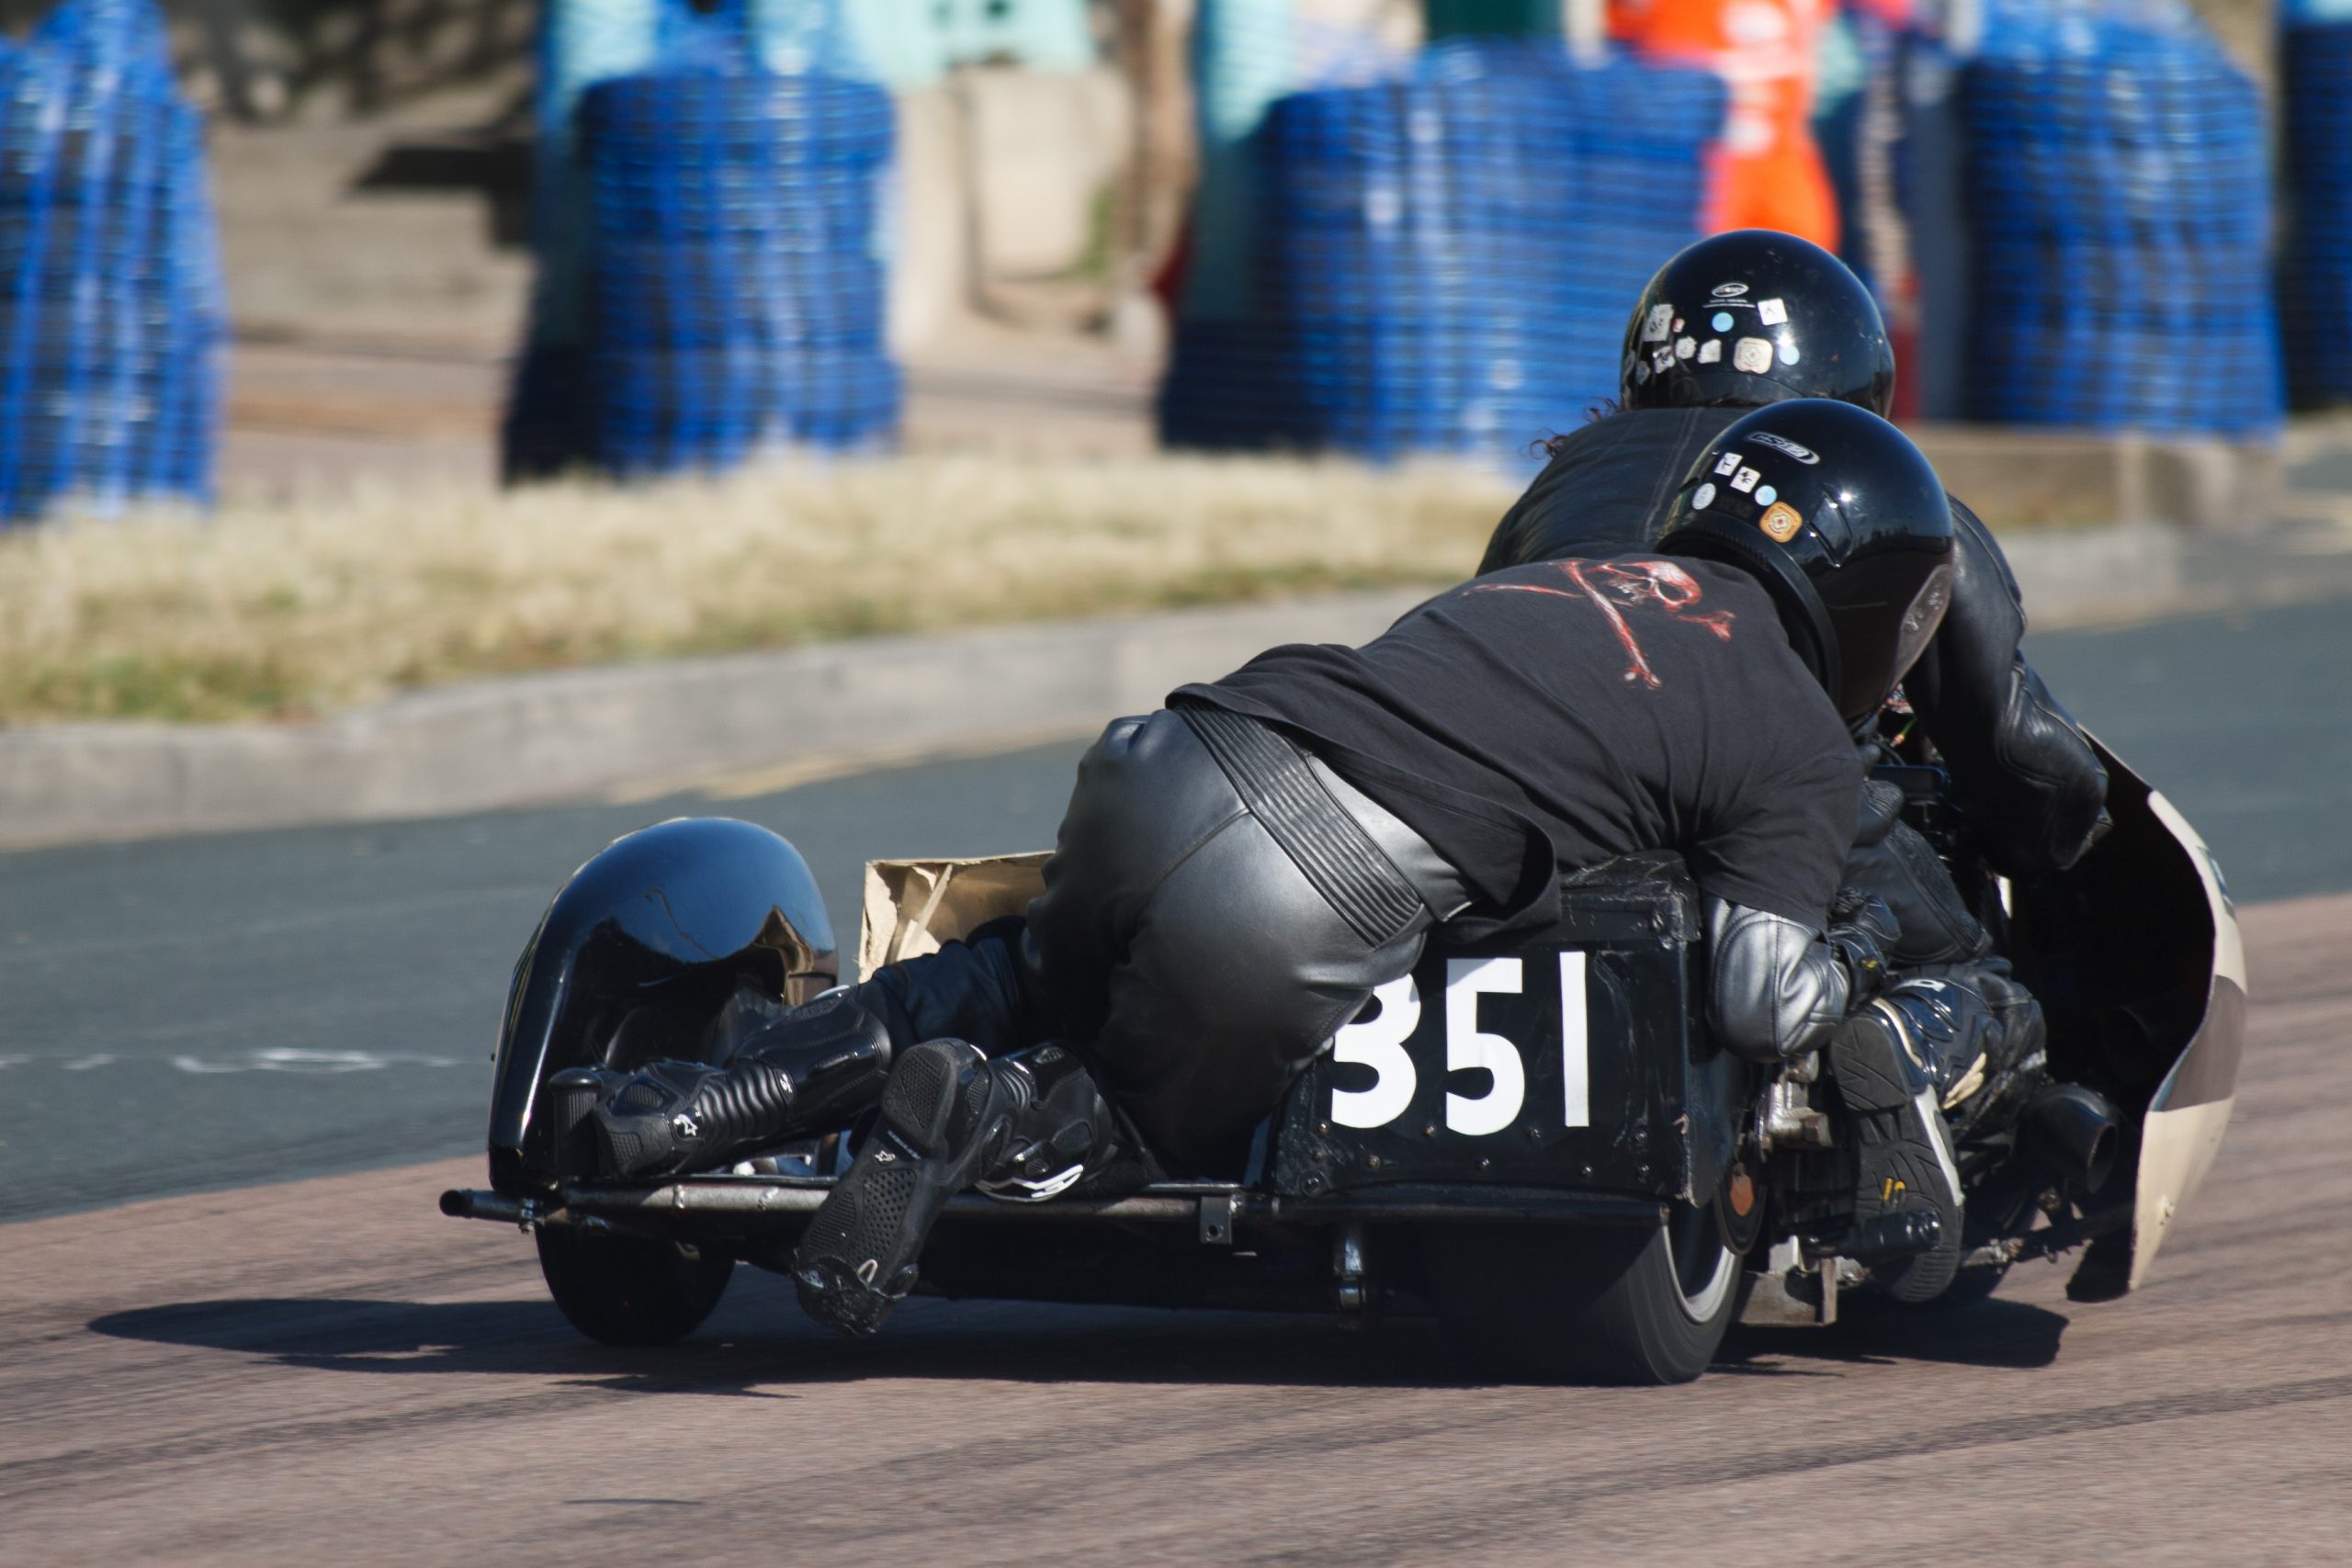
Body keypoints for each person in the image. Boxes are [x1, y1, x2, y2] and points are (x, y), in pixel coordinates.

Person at [551, 398, 1964, 1337]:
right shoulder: (1796, 735)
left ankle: (669, 1113)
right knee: (1151, 1128)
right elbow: (1760, 990)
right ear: (1867, 599)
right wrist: (1854, 965)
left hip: (1176, 755)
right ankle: (977, 1118)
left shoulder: (1553, 581)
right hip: (1306, 889)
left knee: (1009, 971)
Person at [1481, 228, 2109, 885]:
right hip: (1762, 830)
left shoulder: (1557, 485)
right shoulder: (1882, 494)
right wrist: (2063, 831)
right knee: (1974, 975)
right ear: (1849, 370)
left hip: (1535, 828)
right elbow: (2016, 754)